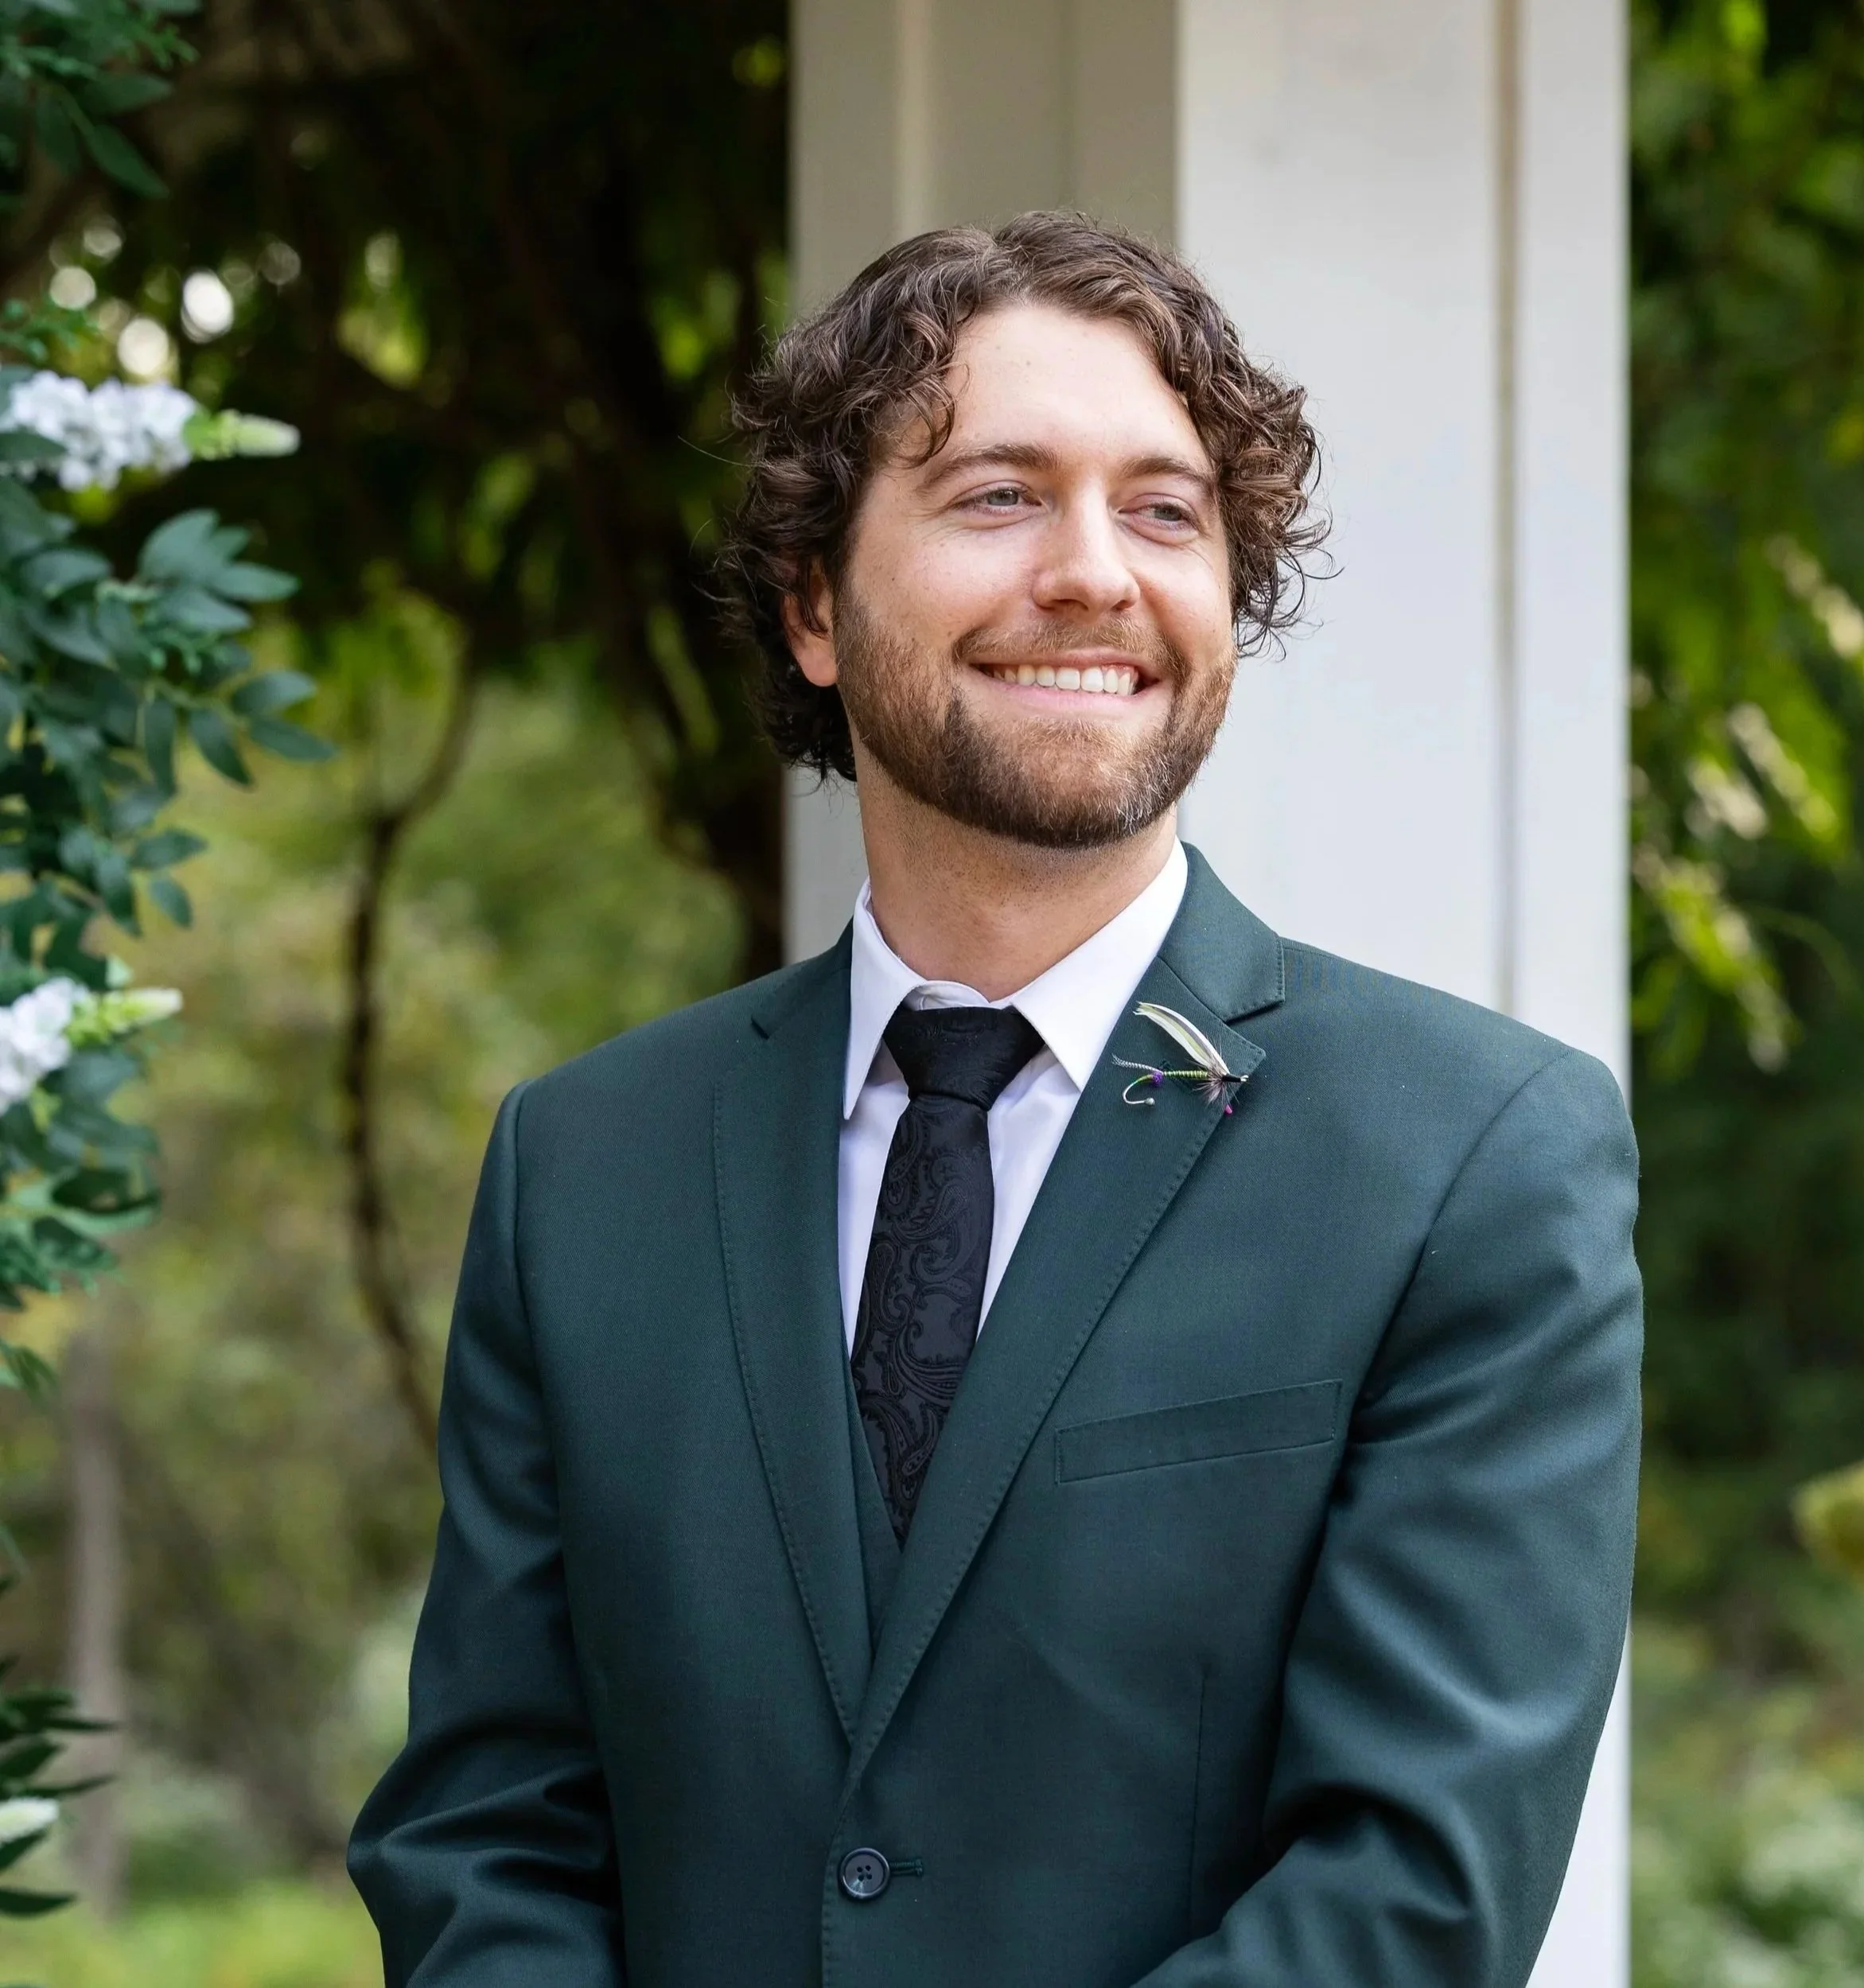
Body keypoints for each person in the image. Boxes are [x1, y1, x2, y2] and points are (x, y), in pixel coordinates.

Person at [348, 210, 1642, 1988]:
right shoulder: (581, 1166)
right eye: (997, 495)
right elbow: (486, 1836)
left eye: (1165, 510)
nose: (1095, 571)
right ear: (814, 605)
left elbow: (1407, 1892)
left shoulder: (1473, 1157)